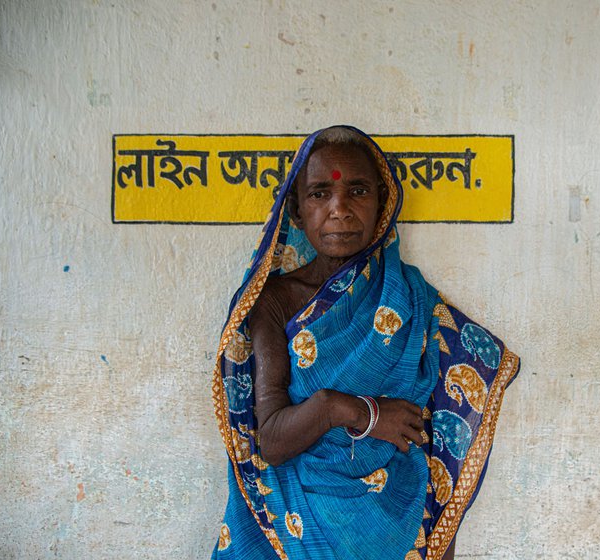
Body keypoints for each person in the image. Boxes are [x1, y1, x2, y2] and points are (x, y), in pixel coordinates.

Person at [211, 126, 520, 559]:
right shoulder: (275, 303)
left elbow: (436, 445)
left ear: (382, 204)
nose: (339, 209)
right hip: (297, 523)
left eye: (357, 191)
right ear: (296, 213)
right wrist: (345, 409)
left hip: (395, 521)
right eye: (320, 194)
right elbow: (274, 442)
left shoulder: (411, 299)